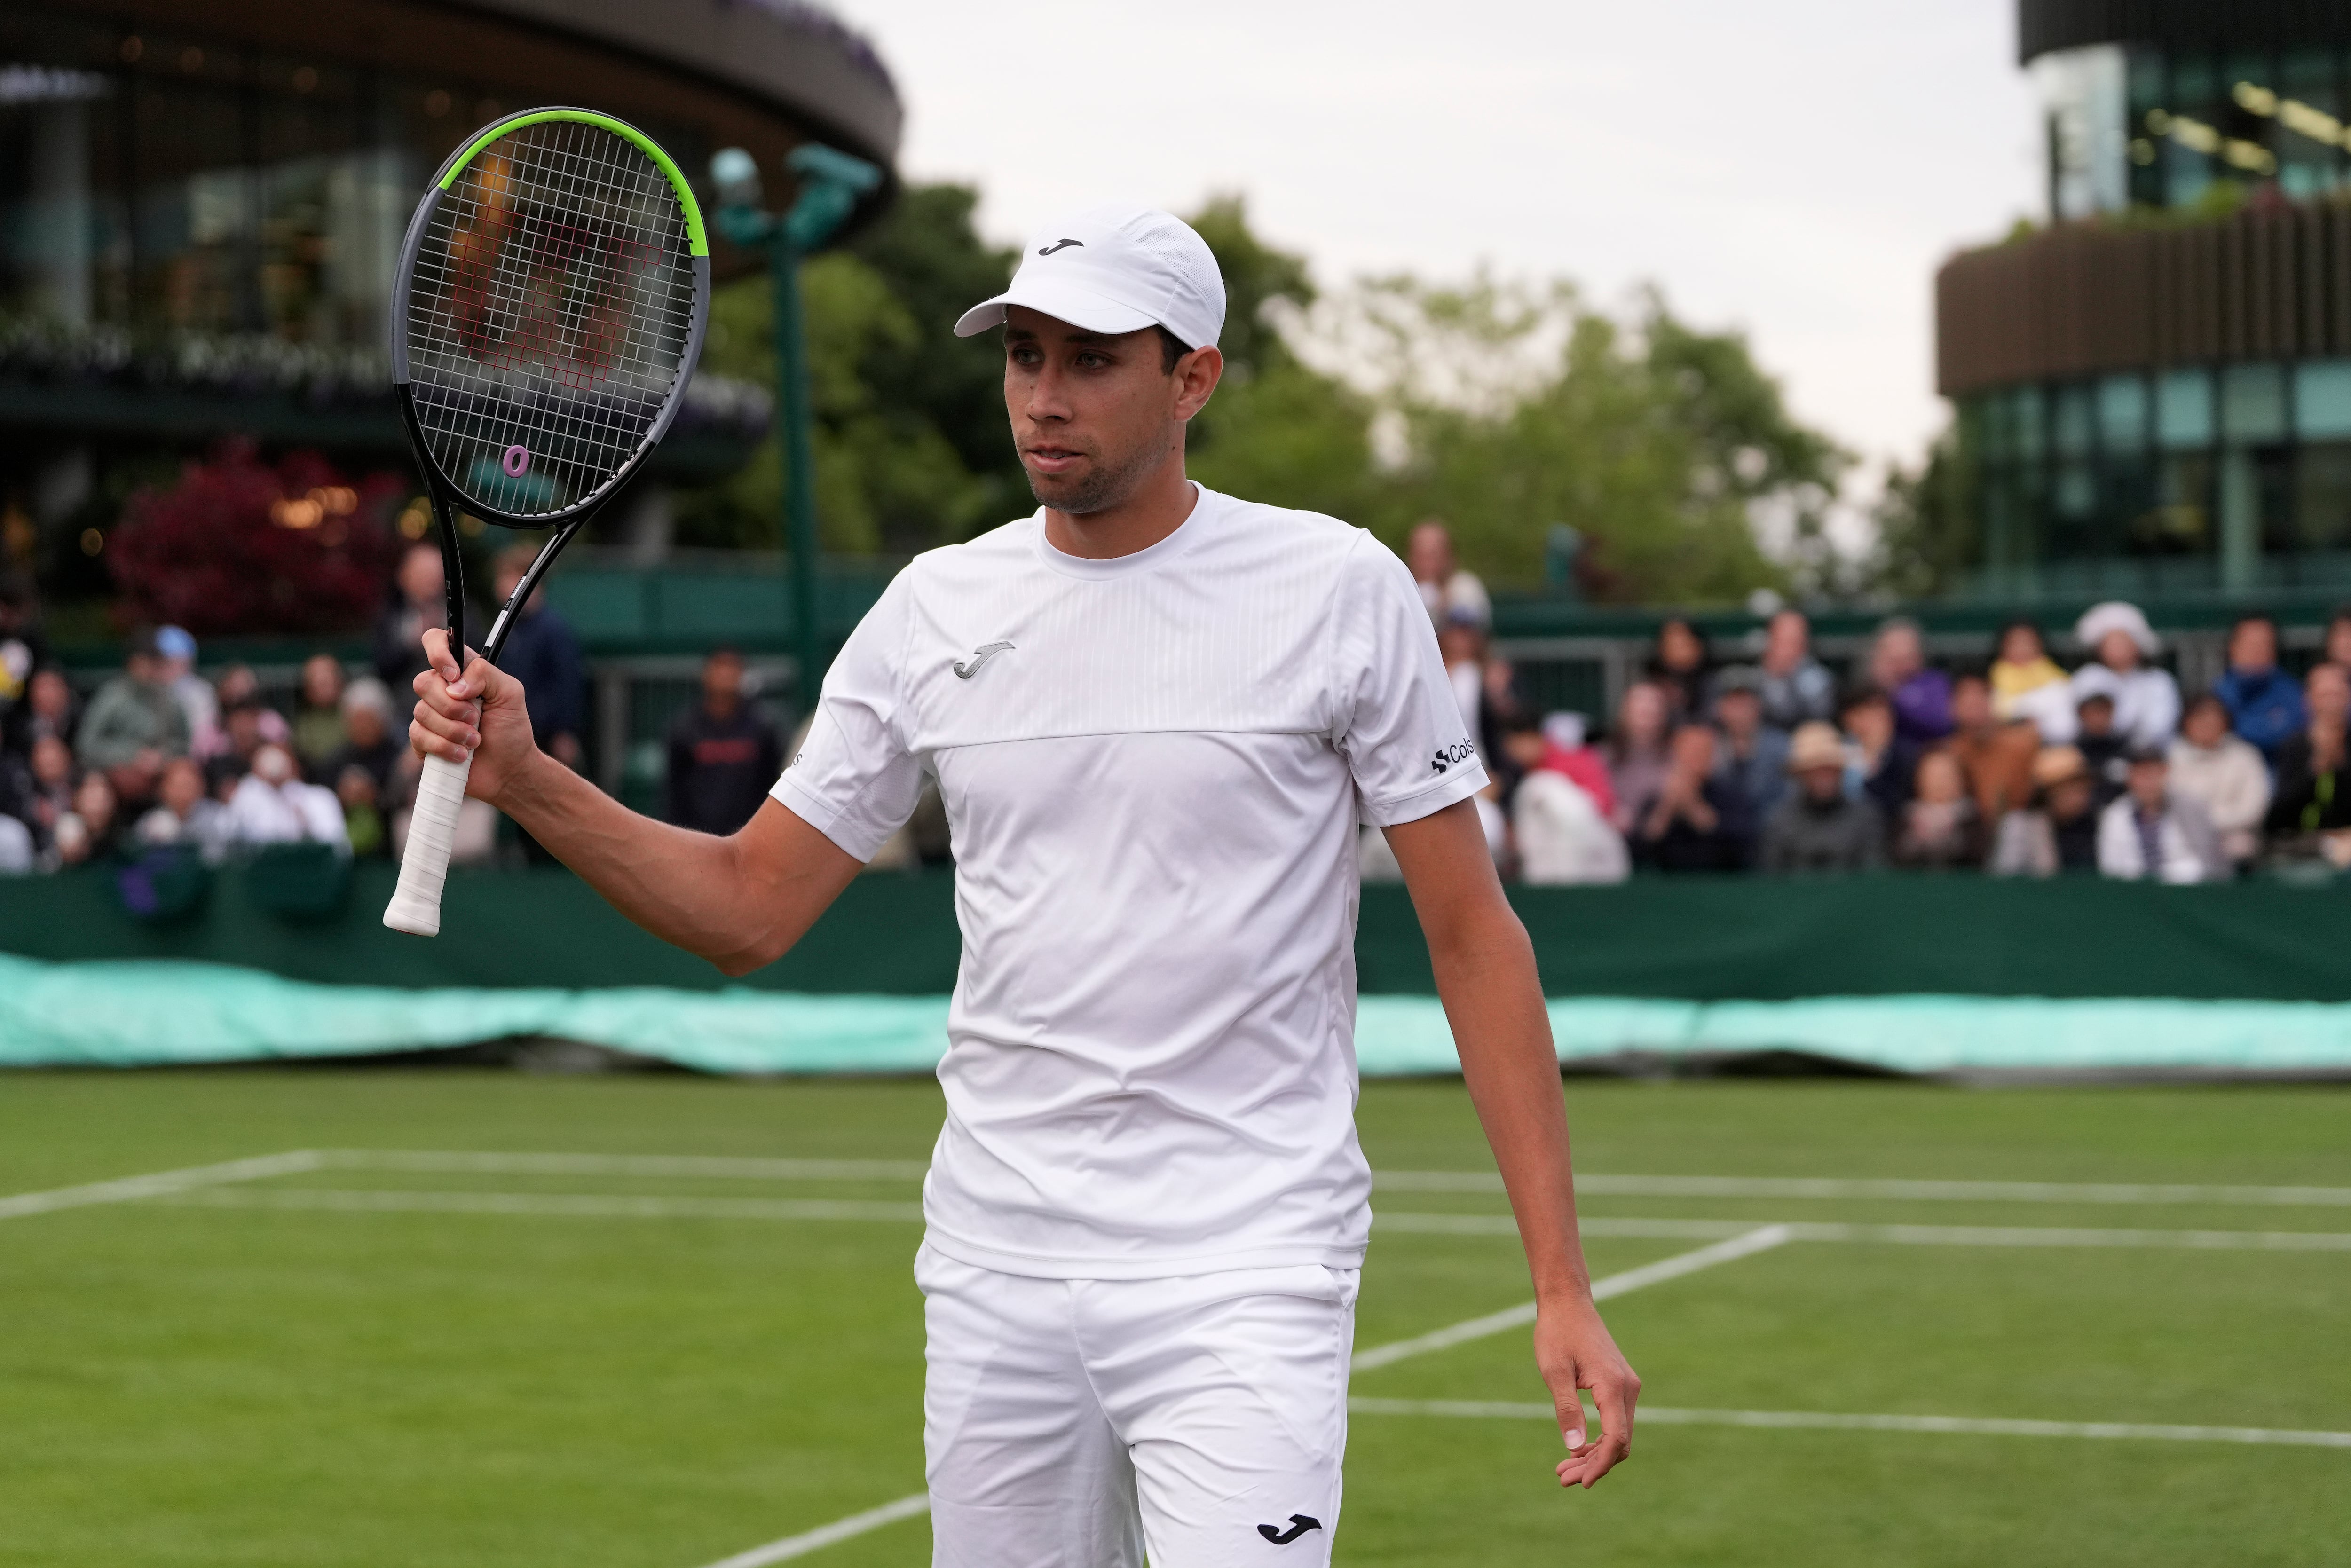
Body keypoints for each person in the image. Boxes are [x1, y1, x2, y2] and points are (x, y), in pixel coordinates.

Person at [403, 201, 1637, 1555]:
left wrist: (1561, 1281)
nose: (1045, 398)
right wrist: (528, 775)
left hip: (1248, 1262)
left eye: (1093, 359)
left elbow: (1475, 937)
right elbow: (748, 907)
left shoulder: (1342, 587)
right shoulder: (934, 607)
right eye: (1025, 355)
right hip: (997, 1266)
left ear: (1194, 376)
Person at [664, 648, 787, 837]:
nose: (725, 674)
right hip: (697, 839)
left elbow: (772, 786)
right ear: (706, 674)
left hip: (749, 839)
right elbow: (674, 792)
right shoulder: (685, 729)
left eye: (732, 667)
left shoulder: (763, 729)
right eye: (720, 666)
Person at [491, 542, 587, 772]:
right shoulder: (505, 630)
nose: (505, 588)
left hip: (547, 740)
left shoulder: (553, 629)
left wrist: (564, 731)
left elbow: (568, 682)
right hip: (516, 736)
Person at [76, 629, 190, 807]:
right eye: (146, 661)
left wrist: (161, 758)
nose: (151, 668)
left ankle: (172, 827)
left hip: (157, 776)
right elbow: (86, 745)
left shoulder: (168, 700)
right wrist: (131, 756)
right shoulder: (111, 696)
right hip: (115, 776)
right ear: (133, 662)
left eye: (155, 661)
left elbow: (183, 743)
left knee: (182, 774)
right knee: (100, 785)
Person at [1760, 720, 1884, 872]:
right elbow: (1770, 880)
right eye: (1815, 771)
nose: (1824, 778)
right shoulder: (1779, 821)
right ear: (1801, 776)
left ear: (1841, 772)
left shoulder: (1865, 818)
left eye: (1829, 770)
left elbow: (1874, 878)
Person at [1632, 721, 1752, 872]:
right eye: (1691, 751)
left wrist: (1695, 810)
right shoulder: (1657, 799)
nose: (1697, 759)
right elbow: (1639, 852)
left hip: (1717, 883)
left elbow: (1741, 849)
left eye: (1704, 751)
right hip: (1668, 885)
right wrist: (1666, 808)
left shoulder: (1730, 798)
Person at [2168, 693, 2270, 869]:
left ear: (2225, 723)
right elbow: (2169, 808)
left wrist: (2207, 822)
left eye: (2213, 720)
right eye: (2199, 719)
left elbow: (2254, 809)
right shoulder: (2171, 758)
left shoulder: (2246, 756)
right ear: (2186, 723)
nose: (2207, 725)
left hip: (2234, 842)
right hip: (2182, 840)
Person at [2099, 748, 2225, 883]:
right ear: (2129, 778)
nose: (2148, 783)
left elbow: (2210, 862)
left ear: (2165, 773)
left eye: (2152, 774)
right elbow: (2110, 867)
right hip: (2131, 894)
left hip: (2186, 891)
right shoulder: (2115, 814)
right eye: (2141, 775)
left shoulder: (2191, 807)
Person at [2068, 601, 2178, 751]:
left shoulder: (2158, 681)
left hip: (2148, 757)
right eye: (2111, 643)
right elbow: (2081, 724)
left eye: (2123, 642)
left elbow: (2159, 727)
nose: (2117, 648)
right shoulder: (2088, 677)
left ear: (2138, 645)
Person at [2267, 661, 2351, 854]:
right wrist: (2315, 769)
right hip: (2305, 842)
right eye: (2324, 695)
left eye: (2337, 694)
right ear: (2308, 700)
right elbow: (2279, 819)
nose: (2331, 703)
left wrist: (2341, 764)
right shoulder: (2293, 747)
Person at [1988, 745, 2101, 876]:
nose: (2080, 796)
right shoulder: (2020, 826)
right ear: (2048, 794)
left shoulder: (2097, 822)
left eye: (2083, 789)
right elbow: (2005, 879)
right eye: (2070, 789)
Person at [1944, 672, 2040, 823]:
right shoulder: (1948, 754)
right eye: (1966, 700)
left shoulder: (2023, 743)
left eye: (1980, 698)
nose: (1973, 706)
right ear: (1953, 707)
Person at [2212, 614, 2305, 767]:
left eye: (2265, 644)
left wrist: (2237, 729)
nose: (2258, 651)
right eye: (2251, 644)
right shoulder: (2218, 695)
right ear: (2233, 648)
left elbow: (2295, 735)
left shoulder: (2293, 693)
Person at [225, 742, 347, 849]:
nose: (275, 766)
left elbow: (335, 845)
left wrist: (304, 821)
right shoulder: (249, 794)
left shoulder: (321, 797)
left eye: (283, 758)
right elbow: (235, 837)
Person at [1709, 665, 1788, 821]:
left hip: (1768, 832)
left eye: (1745, 703)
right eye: (1733, 703)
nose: (1740, 712)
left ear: (1759, 706)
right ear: (1720, 708)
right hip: (1718, 835)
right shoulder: (1707, 746)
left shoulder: (1781, 746)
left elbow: (1788, 802)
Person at [1892, 749, 1984, 869]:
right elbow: (1896, 857)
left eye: (1945, 775)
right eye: (1932, 775)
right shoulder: (1904, 818)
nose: (1939, 783)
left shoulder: (1972, 819)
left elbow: (1975, 857)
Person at [1867, 616, 1951, 747]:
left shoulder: (1935, 683)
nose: (1901, 666)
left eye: (1908, 658)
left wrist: (1896, 693)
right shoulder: (1866, 687)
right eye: (1894, 659)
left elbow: (1940, 721)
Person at [134, 755, 235, 863]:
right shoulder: (151, 824)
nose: (183, 791)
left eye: (188, 784)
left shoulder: (220, 817)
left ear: (201, 786)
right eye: (177, 785)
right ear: (163, 789)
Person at [1602, 679, 1672, 835]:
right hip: (1613, 837)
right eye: (1639, 702)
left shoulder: (1676, 756)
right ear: (1624, 710)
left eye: (1654, 702)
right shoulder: (1603, 755)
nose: (1647, 708)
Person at [1989, 618, 2074, 741]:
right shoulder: (1990, 680)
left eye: (2028, 643)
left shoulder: (2059, 680)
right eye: (2014, 643)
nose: (2022, 649)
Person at [1754, 607, 1834, 735]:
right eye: (1783, 640)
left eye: (1795, 640)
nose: (1788, 649)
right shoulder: (1756, 677)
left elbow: (1819, 715)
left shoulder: (1819, 679)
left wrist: (1789, 675)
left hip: (1805, 742)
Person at [1404, 518, 1490, 631]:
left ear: (1450, 557)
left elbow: (1469, 640)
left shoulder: (1467, 587)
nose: (1427, 564)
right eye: (1421, 556)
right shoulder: (1401, 591)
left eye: (1434, 555)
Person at [1838, 687, 1912, 819]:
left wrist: (1876, 753)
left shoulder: (1906, 756)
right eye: (1869, 713)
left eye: (1883, 714)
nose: (1878, 721)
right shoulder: (1837, 752)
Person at [292, 654, 350, 773]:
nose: (323, 685)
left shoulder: (355, 714)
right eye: (316, 680)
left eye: (328, 679)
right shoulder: (302, 724)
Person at [1645, 616, 1711, 717]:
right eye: (1671, 644)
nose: (1679, 651)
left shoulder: (1714, 685)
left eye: (1684, 644)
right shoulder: (1652, 687)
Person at [2073, 692, 2130, 806]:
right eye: (2094, 713)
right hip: (2083, 813)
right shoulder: (2072, 751)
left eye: (2104, 712)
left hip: (2120, 811)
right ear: (2082, 716)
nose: (2099, 719)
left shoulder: (2125, 748)